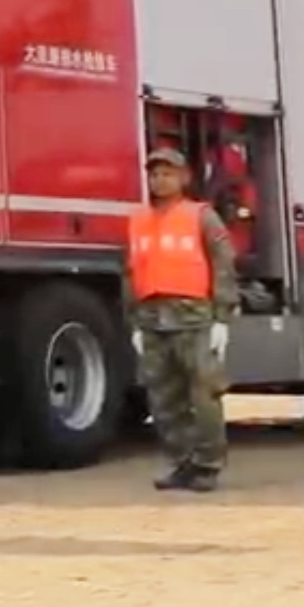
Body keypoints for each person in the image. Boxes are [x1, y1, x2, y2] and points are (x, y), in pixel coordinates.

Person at [128, 147, 241, 492]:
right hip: (152, 319)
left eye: (167, 174)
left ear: (184, 178)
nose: (159, 180)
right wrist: (133, 321)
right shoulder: (138, 220)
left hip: (194, 318)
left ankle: (207, 465)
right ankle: (180, 462)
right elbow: (131, 271)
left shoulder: (202, 217)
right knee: (163, 400)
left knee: (204, 396)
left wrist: (222, 316)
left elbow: (223, 262)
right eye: (154, 174)